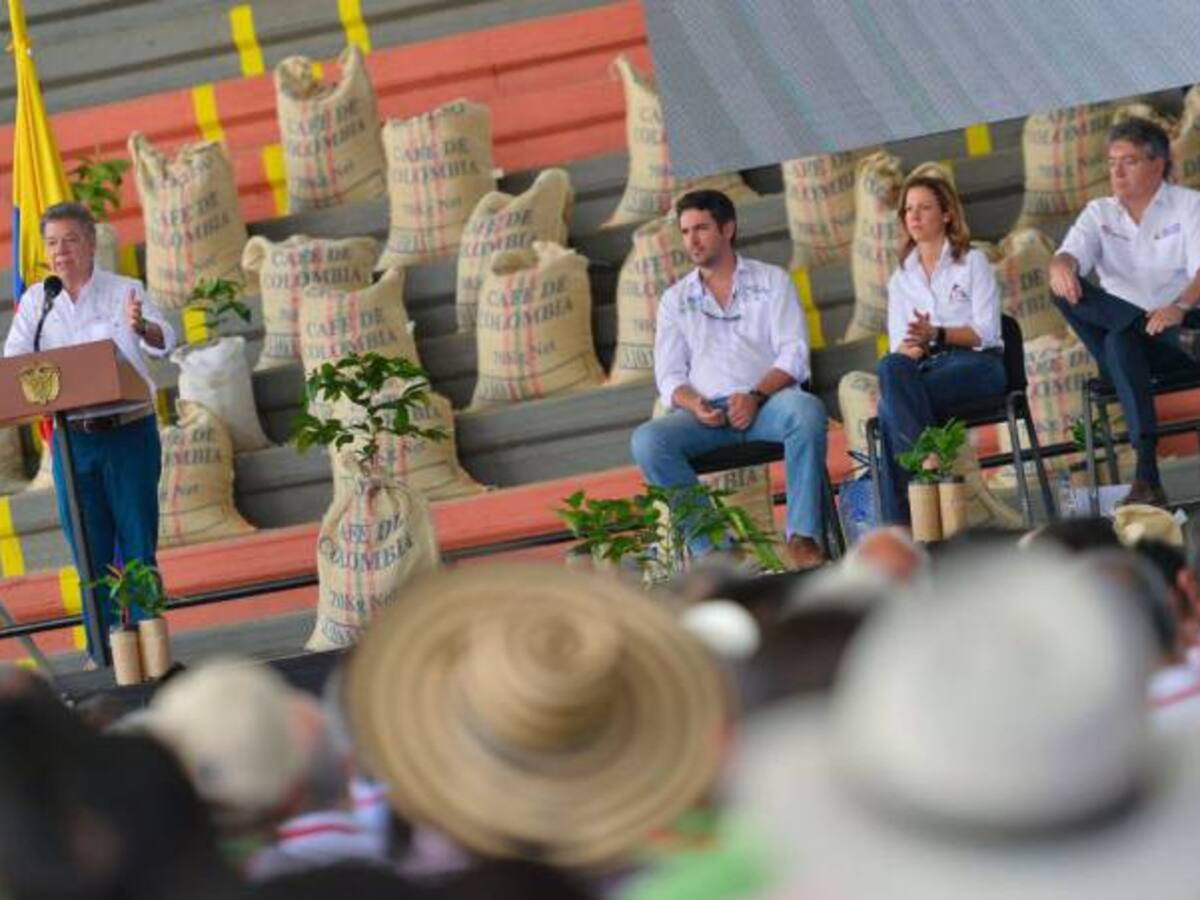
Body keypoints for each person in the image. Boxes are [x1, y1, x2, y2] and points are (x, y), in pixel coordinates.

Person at [3, 201, 175, 664]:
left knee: (139, 546)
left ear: (92, 244)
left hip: (128, 433)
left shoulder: (126, 290)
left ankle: (152, 653)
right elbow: (15, 363)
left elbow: (166, 341)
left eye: (70, 241)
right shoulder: (38, 302)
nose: (60, 252)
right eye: (52, 243)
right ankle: (103, 656)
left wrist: (145, 328)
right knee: (88, 550)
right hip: (72, 440)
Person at [629, 189, 829, 570]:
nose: (692, 240)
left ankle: (802, 538)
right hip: (708, 419)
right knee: (648, 441)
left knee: (806, 411)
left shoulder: (773, 281)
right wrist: (693, 403)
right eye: (685, 231)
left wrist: (755, 395)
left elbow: (795, 354)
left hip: (768, 405)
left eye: (701, 228)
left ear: (728, 228)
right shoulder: (675, 299)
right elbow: (669, 375)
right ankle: (717, 550)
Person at [1048, 117, 1200, 508]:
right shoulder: (1098, 212)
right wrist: (1061, 264)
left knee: (1120, 341)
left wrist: (1179, 307)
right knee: (1064, 289)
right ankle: (1151, 331)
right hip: (1173, 340)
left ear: (1158, 163)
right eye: (1112, 161)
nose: (1115, 171)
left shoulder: (1188, 204)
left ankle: (1146, 476)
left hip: (1181, 337)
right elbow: (1070, 255)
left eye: (1128, 161)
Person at [874, 174, 1004, 525]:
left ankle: (903, 525)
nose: (913, 217)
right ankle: (928, 464)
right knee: (890, 370)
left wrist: (937, 334)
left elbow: (987, 332)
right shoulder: (901, 279)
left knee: (891, 408)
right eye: (908, 210)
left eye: (924, 208)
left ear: (946, 214)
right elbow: (902, 344)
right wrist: (916, 347)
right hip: (928, 368)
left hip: (978, 364)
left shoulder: (972, 261)